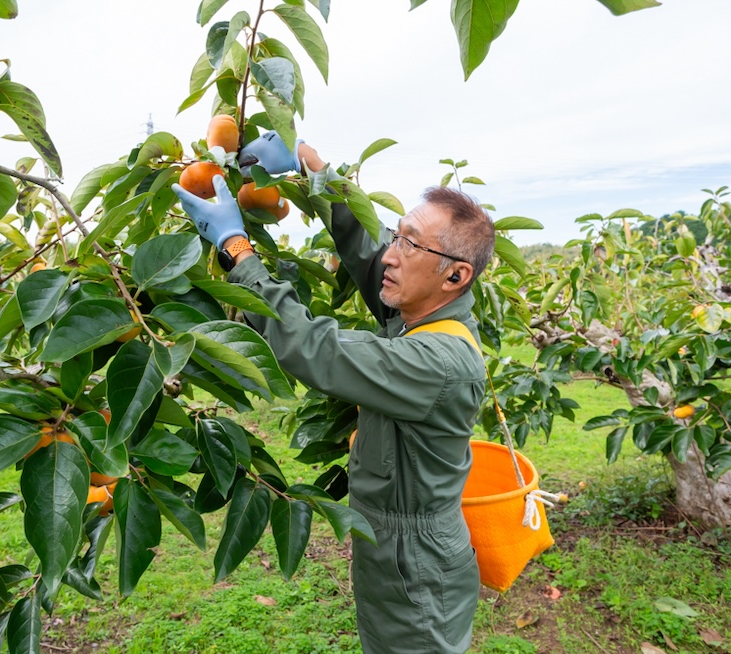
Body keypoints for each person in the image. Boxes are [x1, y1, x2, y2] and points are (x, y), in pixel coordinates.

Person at [172, 132, 496, 654]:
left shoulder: (436, 362)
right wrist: (310, 171)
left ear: (455, 275)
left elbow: (312, 348)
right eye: (398, 235)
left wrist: (238, 253)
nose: (392, 254)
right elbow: (368, 253)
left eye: (411, 245)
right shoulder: (424, 310)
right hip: (397, 549)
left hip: (416, 565)